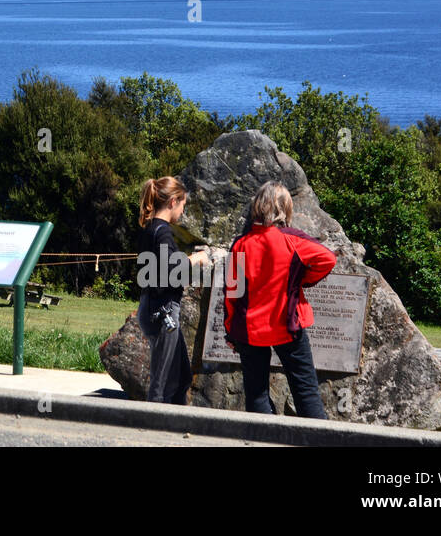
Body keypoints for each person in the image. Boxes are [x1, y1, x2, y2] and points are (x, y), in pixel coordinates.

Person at [223, 180, 337, 418]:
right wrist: (300, 279)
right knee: (305, 391)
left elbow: (232, 293)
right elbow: (328, 258)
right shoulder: (291, 239)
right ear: (284, 208)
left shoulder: (240, 244)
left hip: (250, 330)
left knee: (256, 394)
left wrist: (230, 330)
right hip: (287, 326)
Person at [136, 176, 208, 405]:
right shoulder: (163, 231)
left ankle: (174, 425)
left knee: (180, 377)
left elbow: (155, 270)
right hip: (164, 311)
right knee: (164, 381)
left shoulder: (150, 229)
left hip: (151, 306)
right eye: (183, 205)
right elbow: (170, 267)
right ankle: (156, 428)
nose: (183, 212)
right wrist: (195, 259)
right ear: (173, 201)